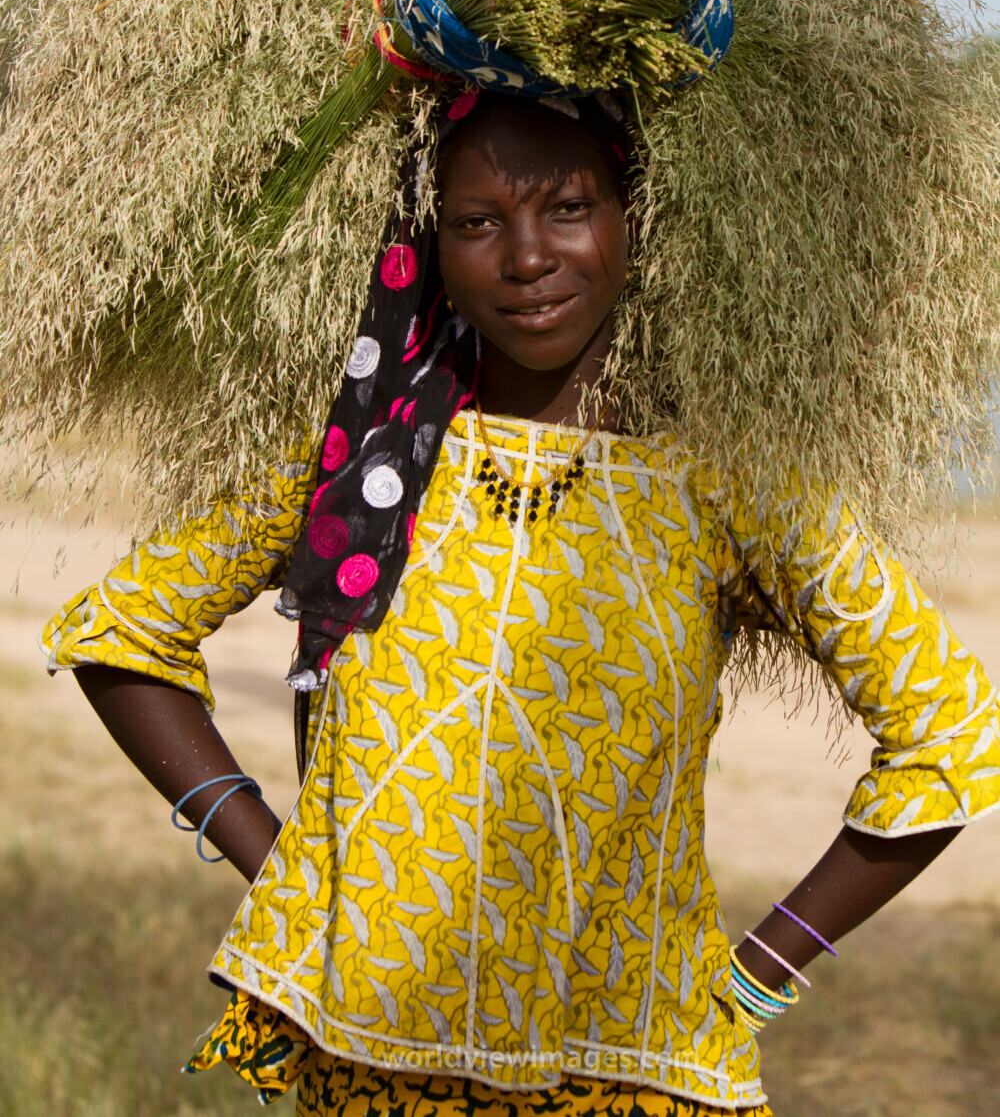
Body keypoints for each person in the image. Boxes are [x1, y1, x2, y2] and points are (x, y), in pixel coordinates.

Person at [41, 89, 1000, 1115]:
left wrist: (764, 969)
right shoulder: (360, 454)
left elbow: (948, 728)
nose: (528, 257)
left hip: (627, 1073)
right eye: (479, 222)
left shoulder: (724, 481)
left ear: (638, 226)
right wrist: (285, 872)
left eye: (569, 209)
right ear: (429, 246)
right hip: (367, 1068)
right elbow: (123, 631)